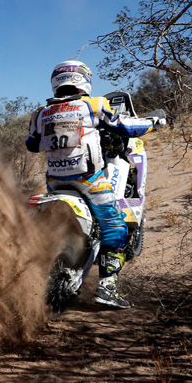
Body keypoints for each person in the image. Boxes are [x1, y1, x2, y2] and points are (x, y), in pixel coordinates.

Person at [25, 60, 153, 309]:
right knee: (115, 227)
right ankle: (107, 288)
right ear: (83, 79)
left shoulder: (40, 113)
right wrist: (153, 123)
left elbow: (31, 144)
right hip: (88, 181)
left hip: (55, 183)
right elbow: (126, 126)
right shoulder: (93, 105)